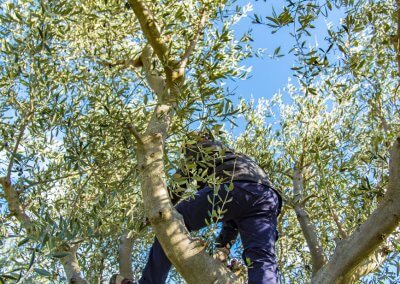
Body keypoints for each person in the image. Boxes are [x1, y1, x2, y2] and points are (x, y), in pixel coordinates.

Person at [110, 132, 282, 284]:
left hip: (235, 187)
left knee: (171, 222)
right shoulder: (234, 155)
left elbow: (179, 184)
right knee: (262, 258)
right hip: (268, 196)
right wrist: (223, 246)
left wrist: (156, 212)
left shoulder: (203, 147)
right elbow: (232, 215)